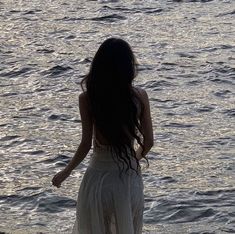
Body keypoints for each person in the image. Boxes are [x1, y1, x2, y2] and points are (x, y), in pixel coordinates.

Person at [52, 37, 153, 234]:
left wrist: (66, 172)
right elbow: (148, 142)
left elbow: (85, 145)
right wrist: (134, 159)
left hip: (98, 180)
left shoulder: (88, 99)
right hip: (128, 180)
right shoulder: (140, 96)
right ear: (128, 66)